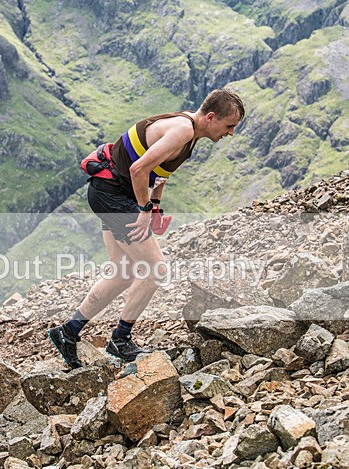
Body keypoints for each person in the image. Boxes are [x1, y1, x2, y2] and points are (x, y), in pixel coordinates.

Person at [48, 88, 245, 368]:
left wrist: (154, 208)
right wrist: (142, 211)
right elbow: (138, 170)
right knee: (155, 269)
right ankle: (121, 340)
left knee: (125, 272)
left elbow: (158, 174)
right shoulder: (182, 131)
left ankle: (67, 332)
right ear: (211, 117)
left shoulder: (188, 134)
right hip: (114, 195)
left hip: (110, 193)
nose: (230, 133)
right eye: (229, 126)